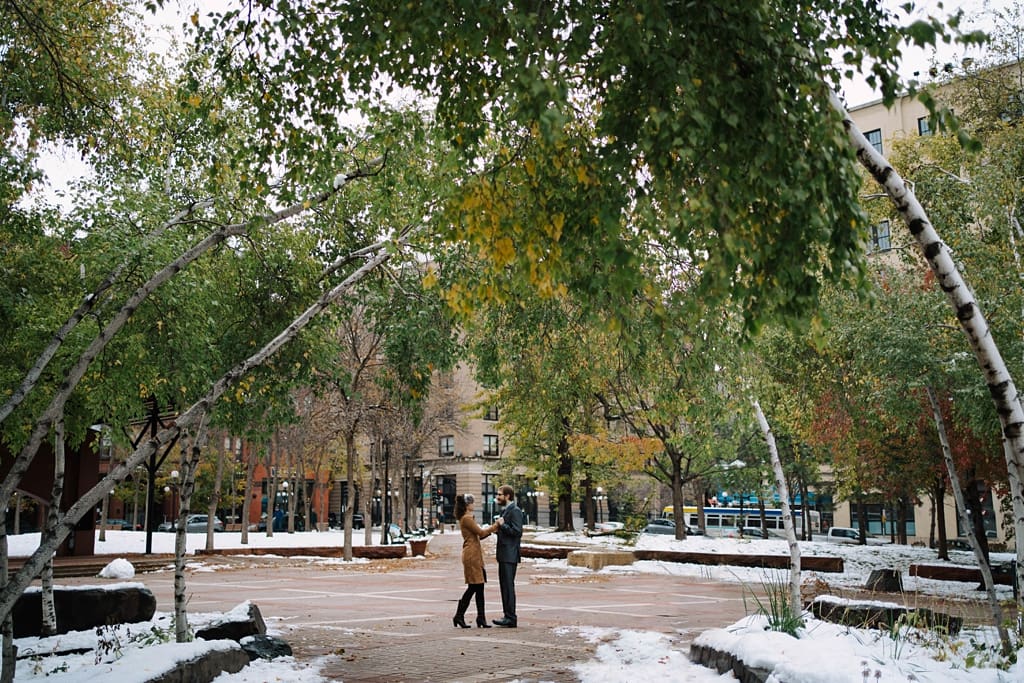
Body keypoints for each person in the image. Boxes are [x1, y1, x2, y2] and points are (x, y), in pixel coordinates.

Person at [452, 493, 502, 629]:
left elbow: (480, 536)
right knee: (474, 587)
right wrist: (496, 525)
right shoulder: (467, 518)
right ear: (468, 505)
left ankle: (480, 618)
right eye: (472, 503)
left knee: (478, 587)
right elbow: (481, 533)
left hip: (474, 554)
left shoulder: (467, 518)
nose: (474, 505)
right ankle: (460, 615)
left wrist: (491, 529)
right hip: (471, 555)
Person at [492, 484, 523, 627]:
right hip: (504, 554)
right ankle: (507, 616)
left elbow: (517, 532)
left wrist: (502, 525)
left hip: (510, 554)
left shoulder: (515, 510)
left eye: (499, 494)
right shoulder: (506, 511)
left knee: (508, 586)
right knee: (504, 586)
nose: (497, 497)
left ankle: (511, 617)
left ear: (507, 496)